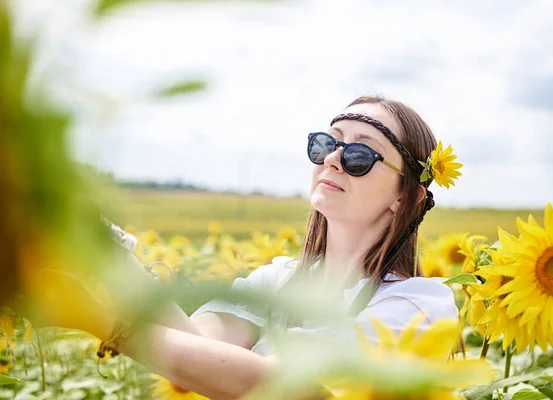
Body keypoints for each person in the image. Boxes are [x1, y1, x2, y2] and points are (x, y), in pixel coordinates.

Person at [34, 95, 461, 400]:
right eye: (327, 144)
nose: (332, 159)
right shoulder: (275, 281)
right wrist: (107, 247)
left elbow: (295, 387)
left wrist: (110, 325)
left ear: (405, 198)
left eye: (360, 155)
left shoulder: (420, 306)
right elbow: (196, 345)